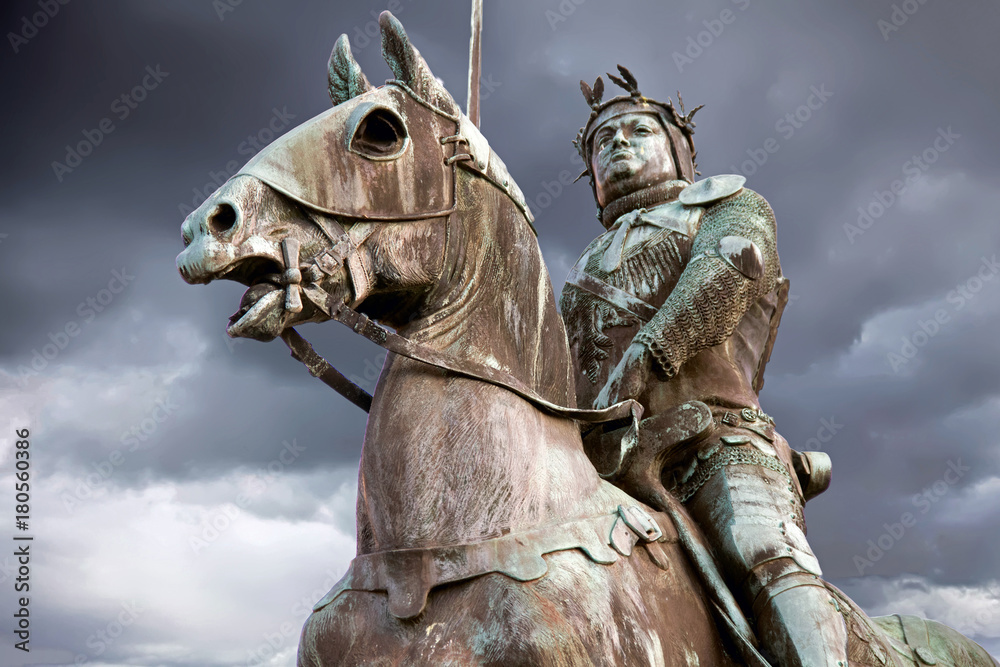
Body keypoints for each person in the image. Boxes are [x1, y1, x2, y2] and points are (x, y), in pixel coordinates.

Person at [559, 66, 848, 667]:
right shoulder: (579, 269)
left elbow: (727, 270)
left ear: (679, 150)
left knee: (762, 552)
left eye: (638, 130)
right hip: (598, 464)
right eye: (602, 141)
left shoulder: (728, 206)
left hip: (714, 441)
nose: (618, 144)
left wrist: (647, 354)